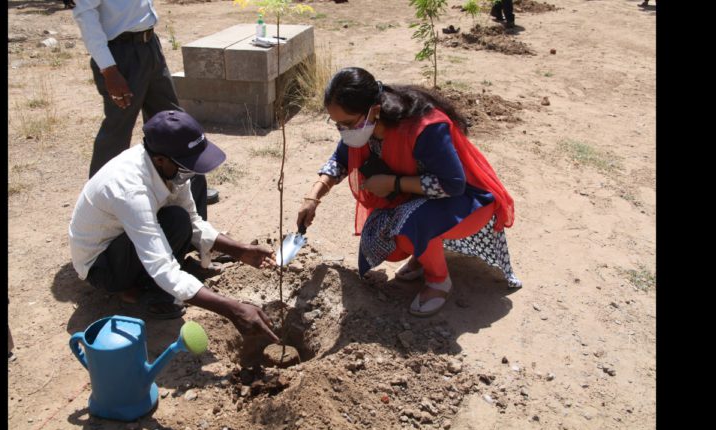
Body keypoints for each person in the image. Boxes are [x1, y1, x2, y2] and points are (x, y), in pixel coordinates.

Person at [296, 67, 521, 317]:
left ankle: (438, 281)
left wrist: (393, 183)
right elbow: (340, 160)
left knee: (408, 223)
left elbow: (452, 184)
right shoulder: (364, 128)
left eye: (347, 123)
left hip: (468, 203)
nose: (343, 130)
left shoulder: (423, 128)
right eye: (337, 124)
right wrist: (313, 196)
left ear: (375, 110)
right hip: (419, 200)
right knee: (384, 236)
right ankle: (424, 256)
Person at [69, 110, 279, 343]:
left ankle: (167, 279)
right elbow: (161, 266)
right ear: (160, 159)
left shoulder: (166, 166)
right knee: (175, 221)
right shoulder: (130, 190)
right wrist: (234, 309)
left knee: (187, 202)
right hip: (103, 264)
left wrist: (240, 251)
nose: (188, 172)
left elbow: (193, 220)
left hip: (130, 240)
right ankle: (148, 292)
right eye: (185, 165)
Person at [71, 0, 215, 221]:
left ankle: (192, 214)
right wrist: (109, 69)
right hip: (120, 55)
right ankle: (98, 209)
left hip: (149, 46)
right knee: (116, 135)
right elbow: (85, 14)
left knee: (175, 126)